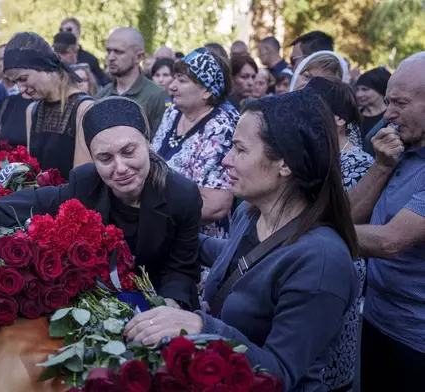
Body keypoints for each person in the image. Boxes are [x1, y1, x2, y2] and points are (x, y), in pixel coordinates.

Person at [0, 97, 203, 356]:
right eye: (105, 158)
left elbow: (180, 268)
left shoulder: (181, 195)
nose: (120, 168)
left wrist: (168, 310)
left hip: (155, 306)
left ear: (148, 143)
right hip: (95, 310)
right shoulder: (85, 185)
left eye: (129, 151)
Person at [126, 88, 359, 392]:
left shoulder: (322, 261)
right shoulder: (250, 214)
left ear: (285, 163)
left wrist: (200, 326)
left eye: (240, 149)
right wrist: (164, 231)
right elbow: (242, 261)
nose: (226, 160)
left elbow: (280, 373)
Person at [348, 52, 425, 392]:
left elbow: (390, 241)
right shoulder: (397, 140)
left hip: (417, 338)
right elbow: (351, 215)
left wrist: (307, 231)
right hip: (377, 319)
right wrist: (381, 165)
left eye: (400, 103)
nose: (387, 113)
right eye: (388, 100)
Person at [151, 48, 237, 309]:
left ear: (207, 91)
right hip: (163, 239)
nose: (171, 85)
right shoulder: (172, 114)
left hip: (199, 250)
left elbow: (217, 202)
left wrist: (154, 211)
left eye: (182, 80)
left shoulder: (223, 126)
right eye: (173, 77)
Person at [304, 76, 373, 391]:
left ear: (339, 119)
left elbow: (338, 217)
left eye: (311, 108)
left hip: (336, 264)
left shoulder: (361, 164)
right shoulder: (310, 155)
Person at [2, 32, 94, 178]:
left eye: (23, 78)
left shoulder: (84, 108)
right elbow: (32, 174)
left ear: (44, 66)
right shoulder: (32, 110)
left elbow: (82, 183)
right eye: (15, 82)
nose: (21, 89)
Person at [98, 27, 170, 133]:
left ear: (139, 57)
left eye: (119, 52)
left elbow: (162, 142)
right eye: (109, 51)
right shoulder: (102, 95)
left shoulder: (157, 96)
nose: (111, 57)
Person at [59, 17, 108, 86]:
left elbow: (100, 85)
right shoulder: (55, 58)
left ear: (78, 33)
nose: (64, 33)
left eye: (68, 30)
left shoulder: (90, 60)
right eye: (61, 30)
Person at [355, 67, 390, 144]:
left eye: (365, 89)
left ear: (380, 90)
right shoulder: (353, 115)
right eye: (357, 89)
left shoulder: (391, 117)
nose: (359, 94)